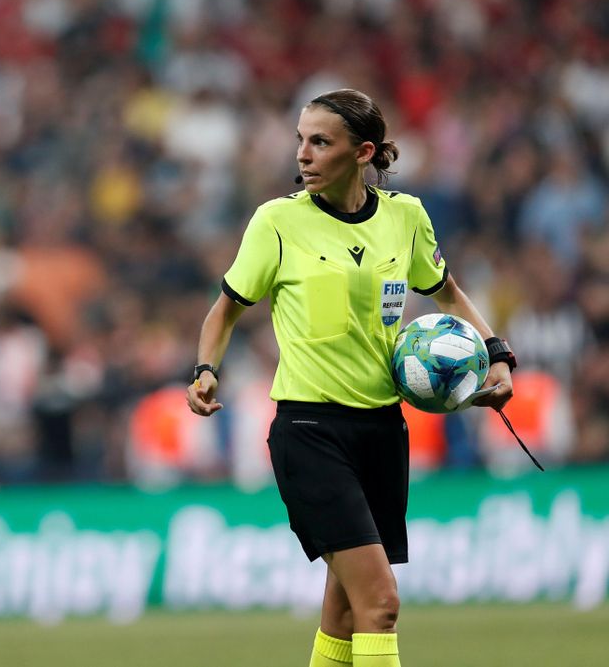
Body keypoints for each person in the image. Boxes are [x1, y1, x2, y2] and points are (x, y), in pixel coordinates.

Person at [186, 88, 517, 667]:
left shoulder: (406, 217)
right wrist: (206, 370)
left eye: (320, 142)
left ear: (364, 152)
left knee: (344, 610)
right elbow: (225, 310)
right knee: (381, 602)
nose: (303, 156)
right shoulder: (278, 222)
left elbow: (448, 293)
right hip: (310, 430)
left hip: (383, 431)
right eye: (300, 141)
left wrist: (497, 355)